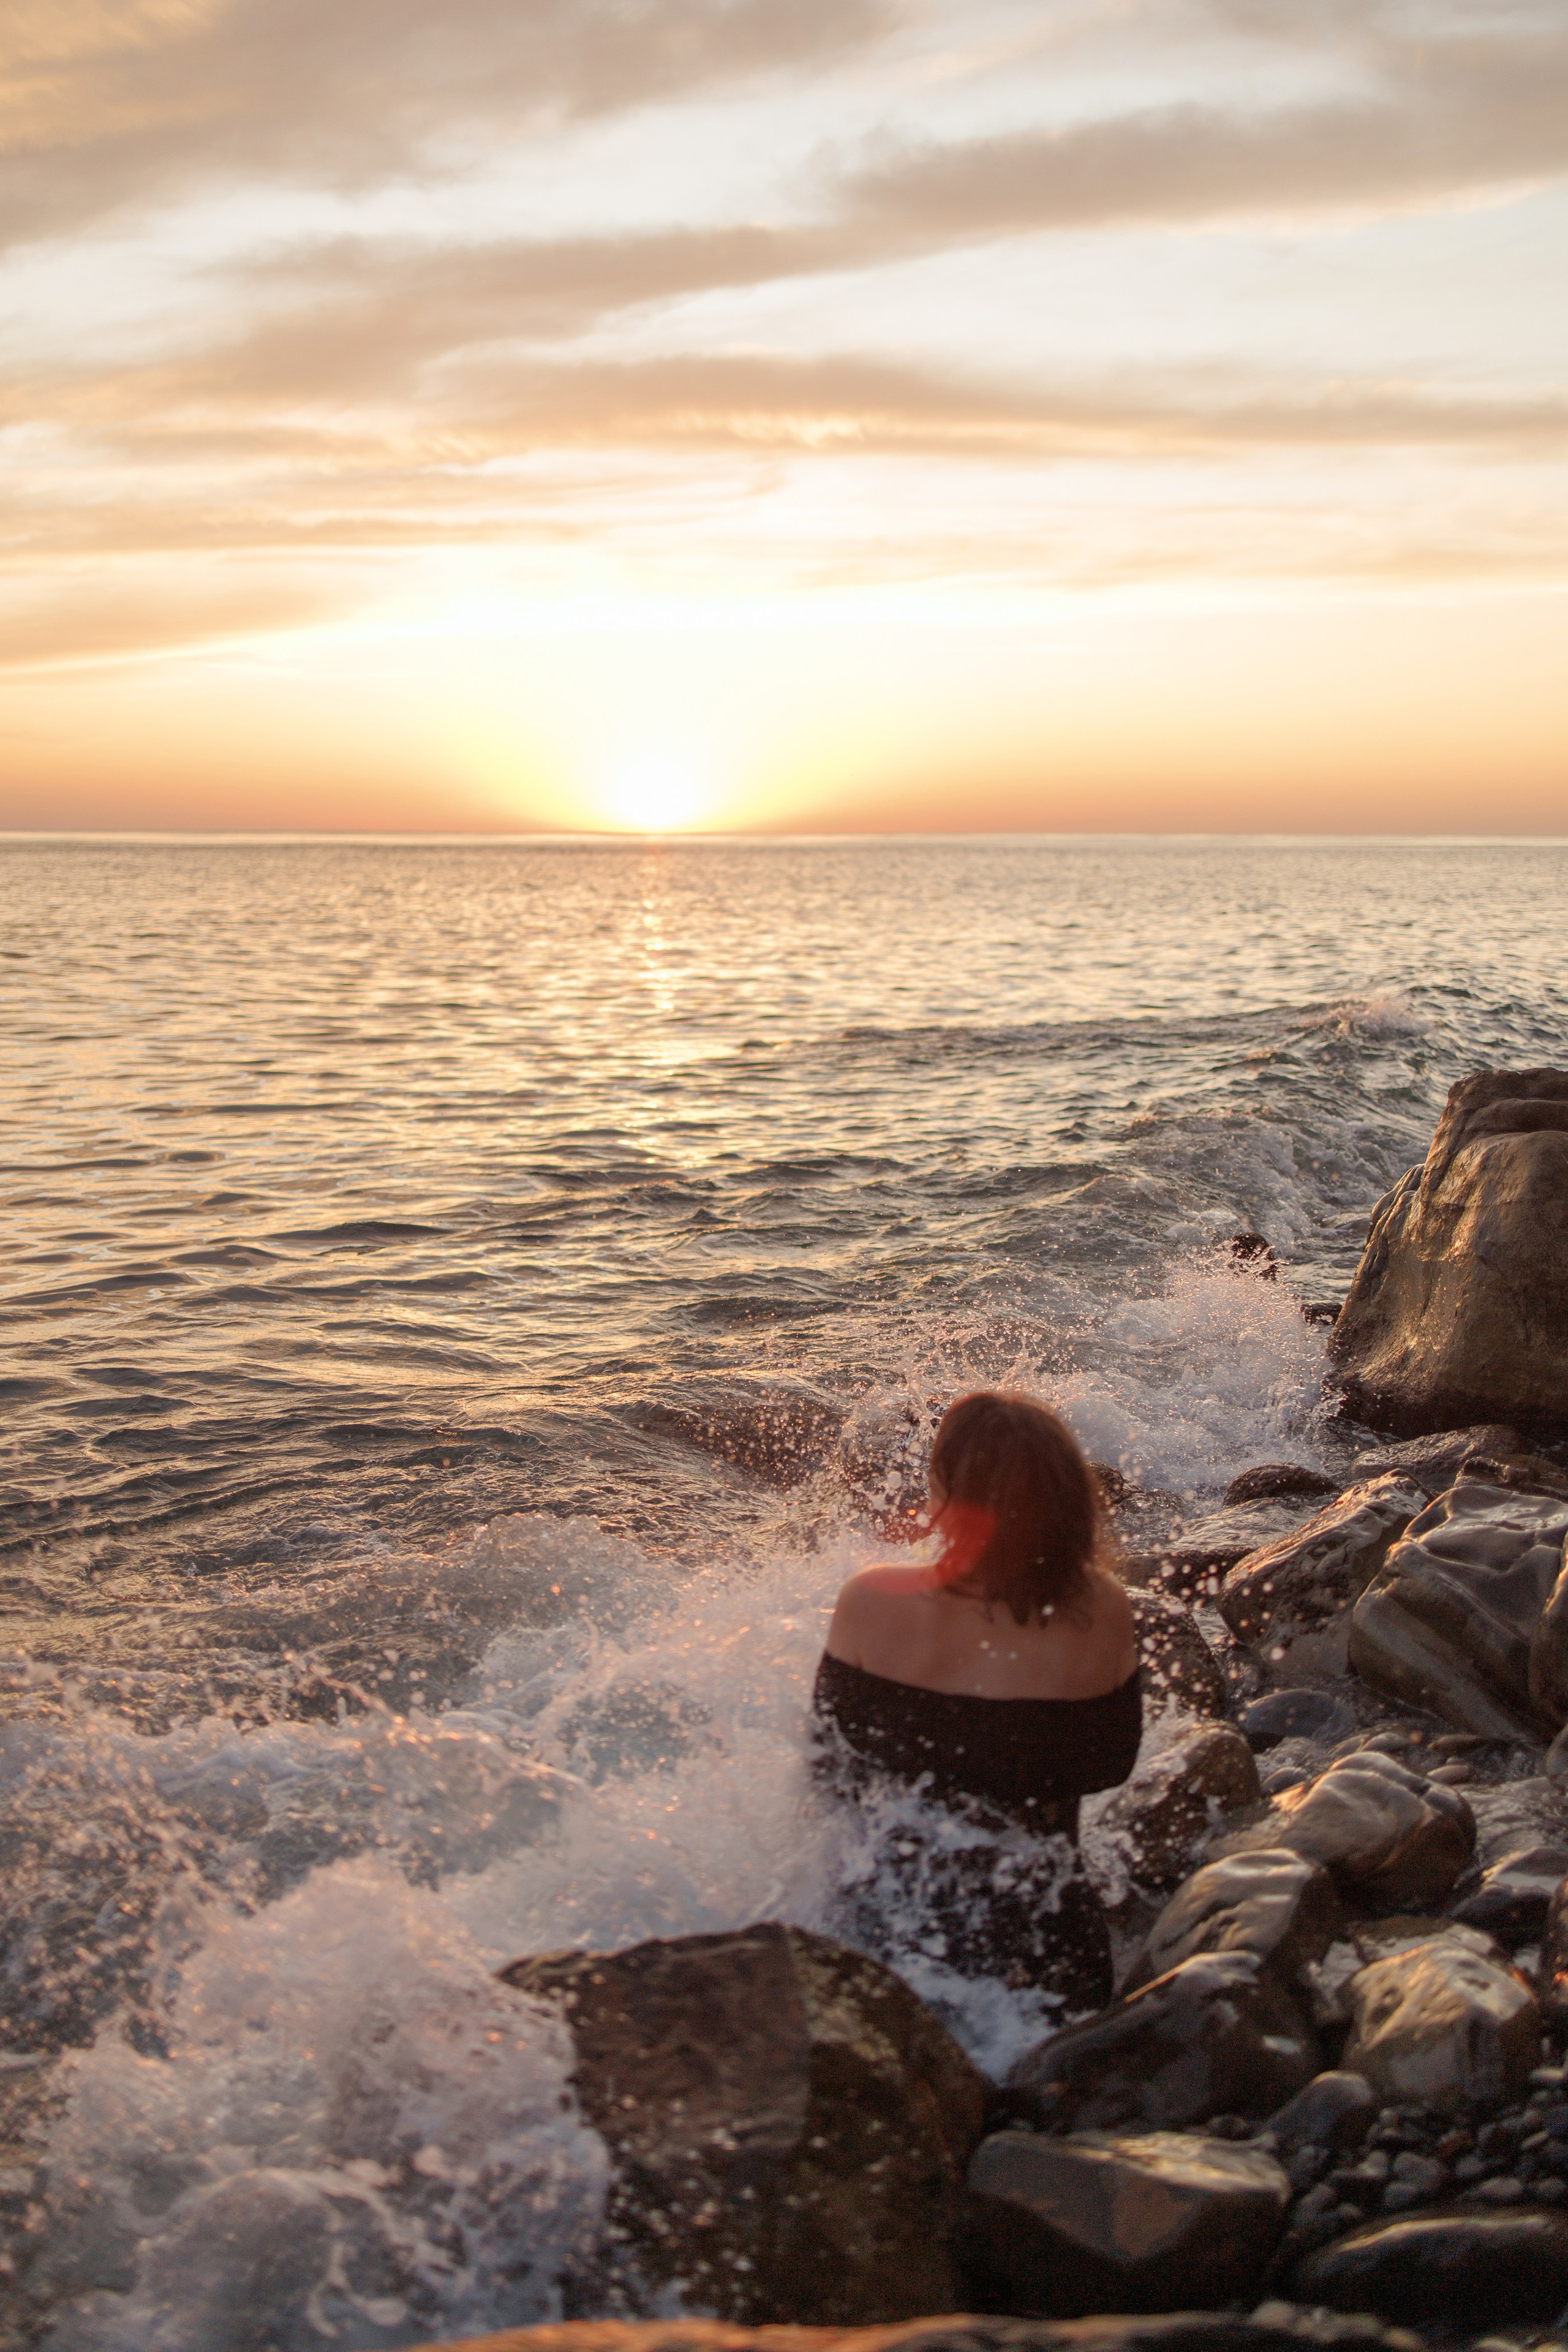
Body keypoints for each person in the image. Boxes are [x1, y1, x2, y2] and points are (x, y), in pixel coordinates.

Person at [812, 1389, 1141, 2011]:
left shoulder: (871, 1601)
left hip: (897, 1941)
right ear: (1067, 1499)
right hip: (1051, 1948)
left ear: (945, 1497)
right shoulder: (1103, 1609)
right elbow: (1112, 1764)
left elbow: (828, 1775)